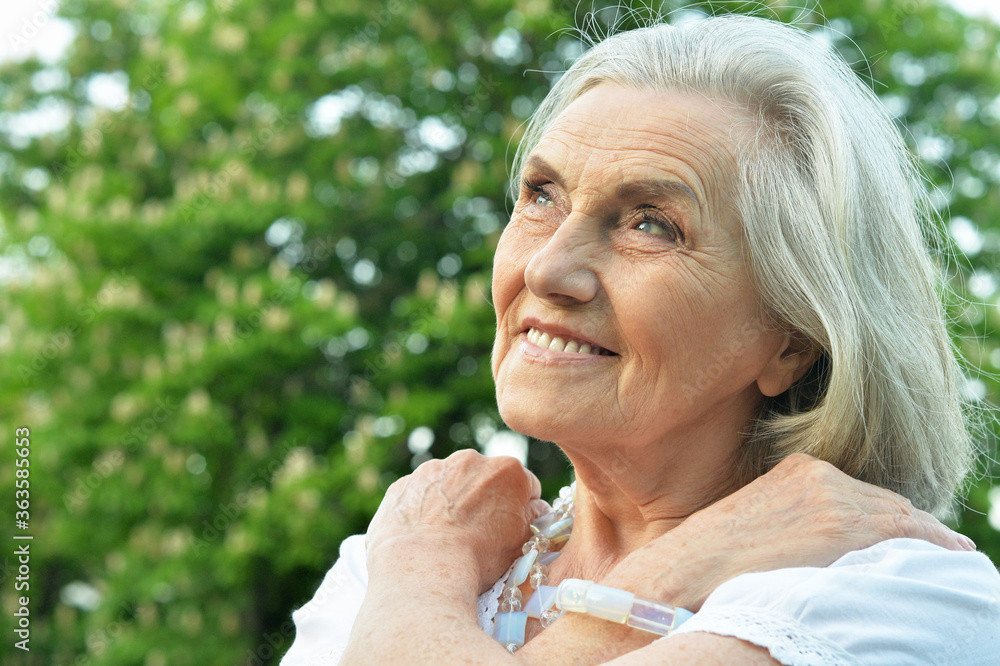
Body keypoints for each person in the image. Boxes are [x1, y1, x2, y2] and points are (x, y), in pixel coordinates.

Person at [281, 12, 1000, 665]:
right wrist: (666, 576)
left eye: (650, 222)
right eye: (541, 196)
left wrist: (417, 584)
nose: (548, 267)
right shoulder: (414, 557)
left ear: (794, 339)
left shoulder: (899, 597)